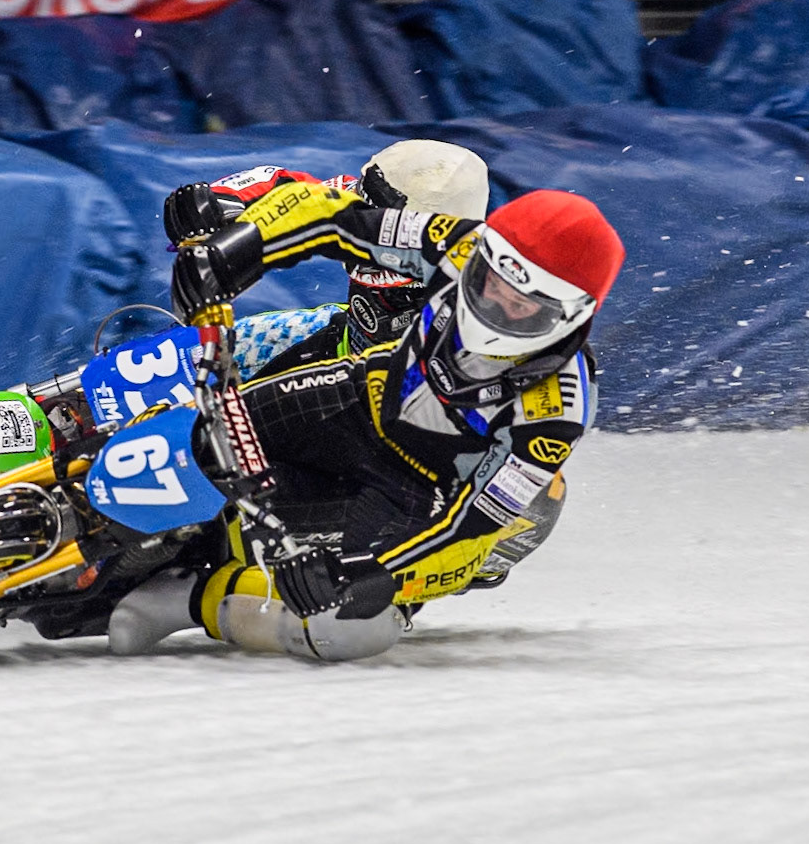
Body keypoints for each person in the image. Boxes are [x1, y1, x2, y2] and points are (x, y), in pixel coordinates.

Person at [105, 182, 625, 662]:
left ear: (571, 317)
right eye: (490, 288)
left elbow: (474, 525)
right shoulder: (458, 242)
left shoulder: (559, 409)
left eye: (522, 311)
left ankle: (193, 598)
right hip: (356, 398)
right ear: (483, 258)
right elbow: (335, 215)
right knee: (205, 435)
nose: (495, 312)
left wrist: (375, 573)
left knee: (348, 629)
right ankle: (91, 454)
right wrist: (237, 250)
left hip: (415, 491)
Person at [161, 140, 492, 379]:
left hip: (396, 401)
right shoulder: (366, 200)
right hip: (340, 339)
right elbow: (300, 193)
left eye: (383, 215)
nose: (365, 215)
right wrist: (214, 204)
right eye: (367, 200)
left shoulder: (476, 287)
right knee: (179, 359)